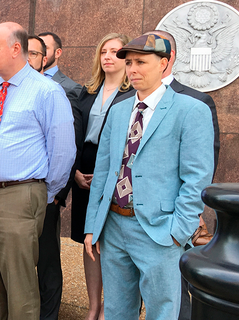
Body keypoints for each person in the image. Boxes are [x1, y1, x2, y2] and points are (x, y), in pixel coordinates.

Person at [84, 34, 214, 319]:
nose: (132, 69)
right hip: (114, 227)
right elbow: (104, 171)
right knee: (118, 311)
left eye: (141, 62)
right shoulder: (118, 111)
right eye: (129, 62)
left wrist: (178, 231)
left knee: (163, 312)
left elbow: (197, 178)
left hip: (160, 231)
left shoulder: (191, 110)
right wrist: (93, 225)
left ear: (164, 63)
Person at [0, 22, 75, 320]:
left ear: (16, 49)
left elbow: (63, 150)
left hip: (19, 195)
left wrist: (44, 193)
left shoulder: (47, 92)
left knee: (20, 283)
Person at [141, 29, 220, 320]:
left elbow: (203, 164)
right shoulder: (128, 102)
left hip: (170, 221)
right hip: (128, 222)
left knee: (173, 297)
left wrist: (186, 219)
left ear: (167, 58)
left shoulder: (196, 101)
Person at [71, 32, 133, 320]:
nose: (108, 56)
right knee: (89, 239)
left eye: (115, 51)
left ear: (126, 58)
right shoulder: (88, 90)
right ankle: (93, 306)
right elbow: (75, 133)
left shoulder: (133, 94)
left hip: (116, 169)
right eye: (103, 51)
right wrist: (74, 171)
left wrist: (109, 174)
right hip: (83, 166)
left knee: (111, 240)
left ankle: (111, 307)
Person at [35, 31, 79, 320]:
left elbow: (67, 144)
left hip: (47, 192)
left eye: (39, 51)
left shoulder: (68, 89)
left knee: (48, 258)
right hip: (17, 192)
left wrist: (56, 195)